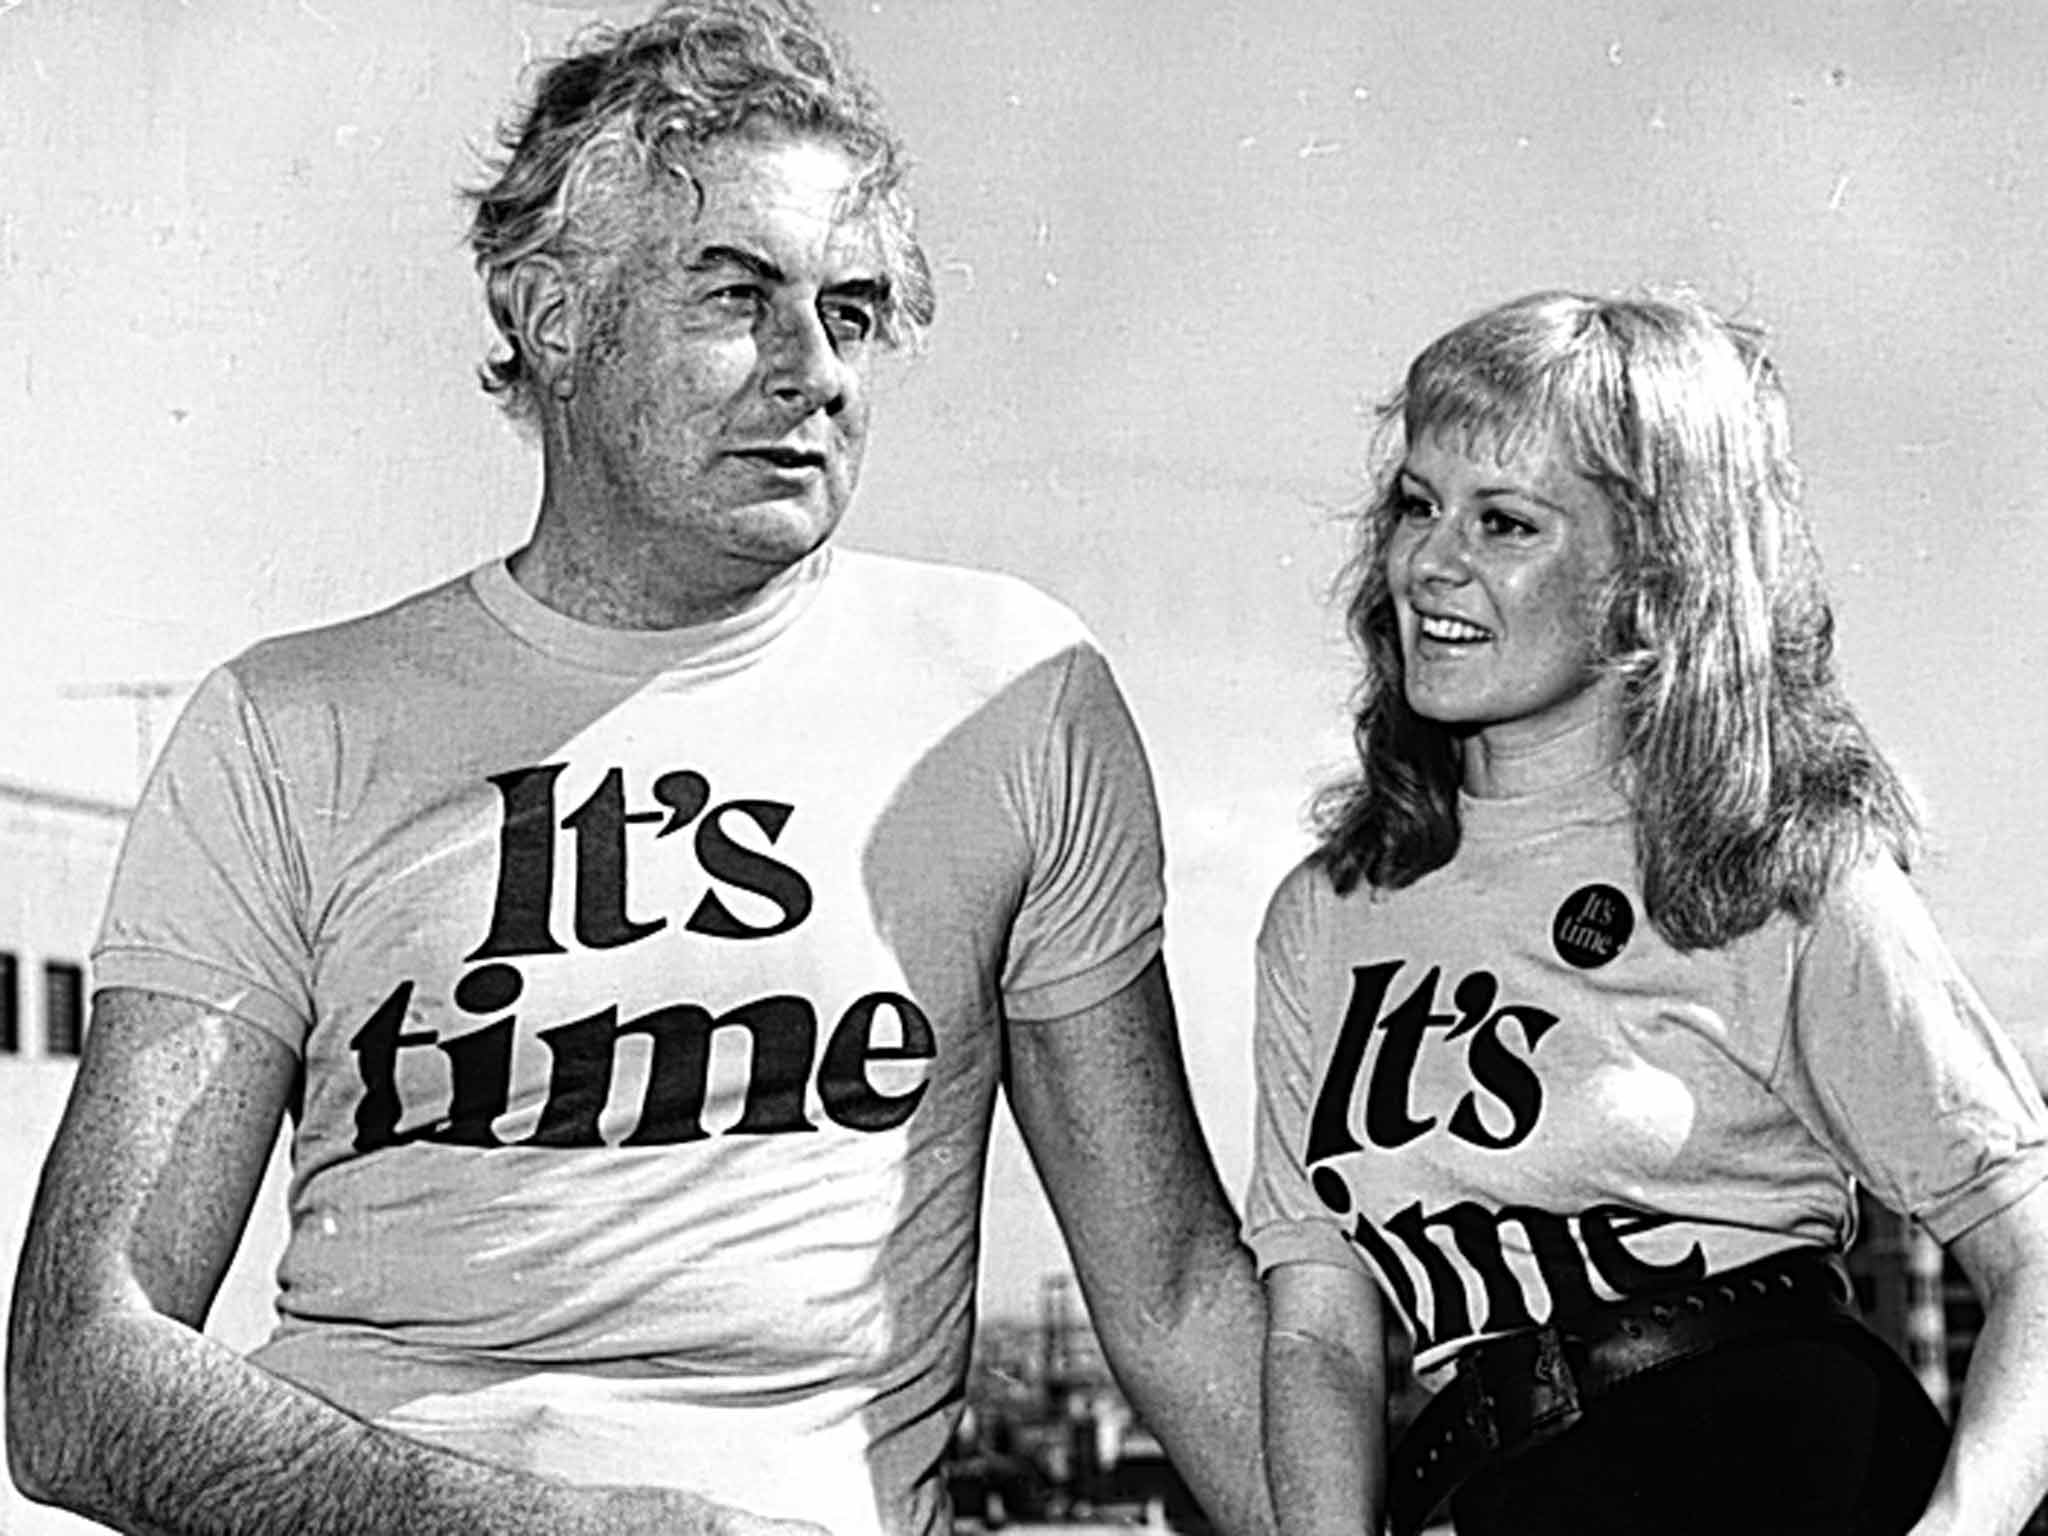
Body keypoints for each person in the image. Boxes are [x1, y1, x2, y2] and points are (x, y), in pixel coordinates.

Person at [5, 5, 1274, 1534]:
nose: (816, 371)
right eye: (738, 298)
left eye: (856, 311)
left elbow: (1180, 1298)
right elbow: (77, 1378)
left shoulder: (1009, 700)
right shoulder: (292, 729)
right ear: (554, 318)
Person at [1242, 290, 2048, 1536]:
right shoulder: (1329, 913)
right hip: (1487, 1490)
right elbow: (1318, 1330)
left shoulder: (1775, 868)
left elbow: (2034, 1252)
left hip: (1775, 1476)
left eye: (1502, 521)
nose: (1426, 563)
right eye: (1416, 504)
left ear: (1650, 576)